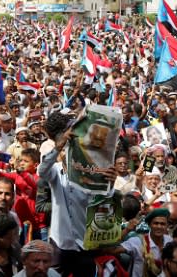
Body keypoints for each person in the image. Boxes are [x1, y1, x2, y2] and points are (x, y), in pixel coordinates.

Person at [37, 112, 117, 277]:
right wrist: (58, 145)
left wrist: (110, 183)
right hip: (60, 244)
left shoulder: (94, 173)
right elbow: (42, 170)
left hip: (85, 244)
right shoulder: (56, 172)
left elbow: (103, 204)